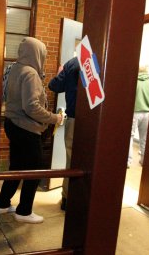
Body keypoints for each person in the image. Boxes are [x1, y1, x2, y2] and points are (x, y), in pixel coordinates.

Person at [0, 37, 63, 224]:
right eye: (44, 54)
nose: (45, 58)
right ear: (36, 53)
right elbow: (31, 107)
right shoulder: (31, 73)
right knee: (35, 170)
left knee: (16, 167)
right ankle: (24, 211)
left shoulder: (14, 69)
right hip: (26, 128)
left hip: (12, 124)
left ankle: (2, 203)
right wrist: (54, 118)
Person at [48, 57, 80, 211]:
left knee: (71, 160)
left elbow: (54, 85)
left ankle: (67, 199)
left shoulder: (73, 63)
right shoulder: (106, 59)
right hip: (98, 122)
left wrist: (61, 72)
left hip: (74, 119)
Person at [128, 66, 149, 167]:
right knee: (145, 138)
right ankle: (143, 160)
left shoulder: (134, 82)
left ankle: (128, 161)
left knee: (130, 136)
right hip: (148, 113)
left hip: (134, 112)